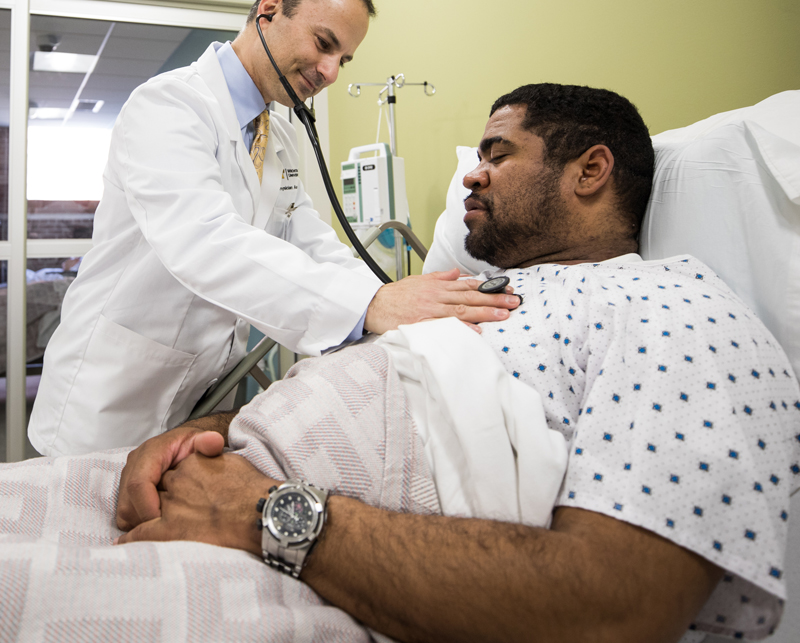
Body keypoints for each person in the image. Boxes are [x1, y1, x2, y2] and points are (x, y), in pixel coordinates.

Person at [107, 83, 800, 643]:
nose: (471, 172)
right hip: (203, 488)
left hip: (265, 542)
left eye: (498, 154)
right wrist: (215, 431)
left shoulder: (667, 306)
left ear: (591, 169)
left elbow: (616, 609)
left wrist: (265, 510)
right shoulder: (468, 295)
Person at [28, 0, 517, 458]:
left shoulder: (279, 135)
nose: (329, 72)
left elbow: (309, 239)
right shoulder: (169, 106)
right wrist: (368, 307)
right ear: (270, 9)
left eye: (343, 60)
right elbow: (202, 241)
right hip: (113, 392)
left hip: (201, 389)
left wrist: (391, 303)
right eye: (325, 44)